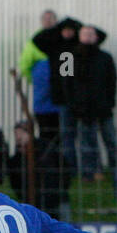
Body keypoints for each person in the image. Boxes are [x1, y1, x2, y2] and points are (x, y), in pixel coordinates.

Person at [35, 16, 86, 171]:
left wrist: (79, 27)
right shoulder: (55, 46)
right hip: (63, 100)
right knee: (67, 135)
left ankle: (88, 169)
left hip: (82, 100)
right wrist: (55, 28)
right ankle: (71, 167)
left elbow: (100, 36)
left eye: (71, 30)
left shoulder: (81, 47)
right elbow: (37, 39)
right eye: (65, 30)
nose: (68, 33)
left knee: (85, 135)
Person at [68, 26, 117, 184]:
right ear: (79, 36)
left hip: (103, 109)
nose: (88, 37)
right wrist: (74, 105)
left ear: (96, 37)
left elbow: (112, 82)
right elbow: (65, 83)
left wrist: (108, 103)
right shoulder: (68, 57)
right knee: (86, 144)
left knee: (111, 141)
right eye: (84, 34)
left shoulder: (105, 57)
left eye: (91, 34)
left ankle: (113, 170)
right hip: (82, 110)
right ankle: (88, 174)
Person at [7, 120, 71, 219]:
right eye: (16, 134)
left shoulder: (47, 149)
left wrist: (61, 189)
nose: (18, 137)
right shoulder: (16, 159)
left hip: (57, 200)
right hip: (34, 203)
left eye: (21, 133)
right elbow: (15, 182)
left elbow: (65, 169)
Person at [20, 10, 62, 147]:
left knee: (64, 134)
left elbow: (69, 65)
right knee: (45, 132)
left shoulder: (64, 39)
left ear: (56, 20)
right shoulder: (35, 40)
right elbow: (25, 64)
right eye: (45, 19)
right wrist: (36, 81)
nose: (48, 21)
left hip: (61, 97)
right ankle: (48, 164)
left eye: (51, 18)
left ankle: (63, 165)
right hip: (43, 98)